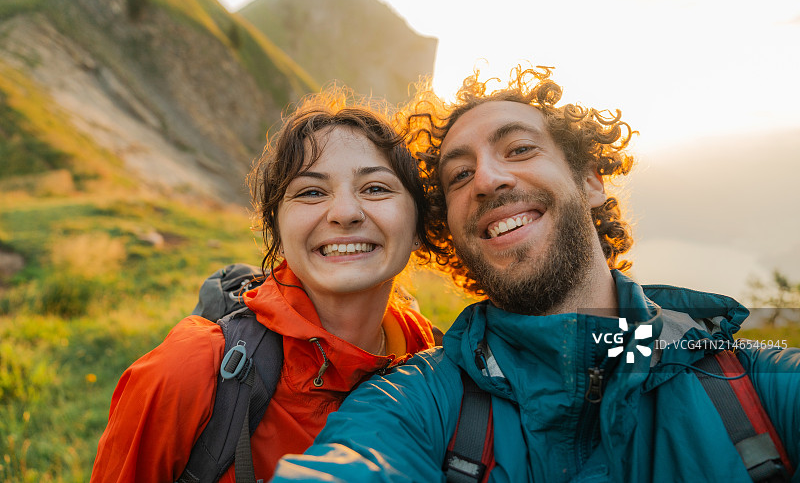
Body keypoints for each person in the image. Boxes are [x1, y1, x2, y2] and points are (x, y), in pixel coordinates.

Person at [269, 66, 800, 482]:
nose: (488, 179)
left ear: (591, 180)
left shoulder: (760, 389)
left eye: (519, 149)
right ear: (449, 230)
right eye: (459, 175)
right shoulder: (414, 403)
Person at [90, 88, 440, 482]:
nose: (344, 213)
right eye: (311, 192)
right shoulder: (184, 372)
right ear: (278, 230)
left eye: (375, 188)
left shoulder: (436, 366)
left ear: (417, 229)